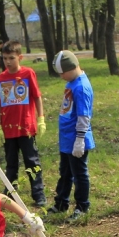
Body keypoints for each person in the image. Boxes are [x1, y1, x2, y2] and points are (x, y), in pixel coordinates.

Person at [0, 40, 47, 208]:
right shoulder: (0, 78)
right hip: (8, 129)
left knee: (32, 161)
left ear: (20, 57)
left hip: (26, 128)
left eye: (11, 58)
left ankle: (38, 194)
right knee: (11, 163)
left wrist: (41, 118)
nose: (8, 62)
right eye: (4, 58)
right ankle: (10, 193)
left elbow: (37, 97)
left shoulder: (28, 74)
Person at [47, 50, 94, 222]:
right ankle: (61, 203)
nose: (61, 76)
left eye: (62, 73)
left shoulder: (81, 87)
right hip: (67, 139)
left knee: (79, 174)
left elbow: (84, 115)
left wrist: (80, 140)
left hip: (76, 139)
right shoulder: (71, 83)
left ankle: (82, 206)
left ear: (72, 67)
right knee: (65, 172)